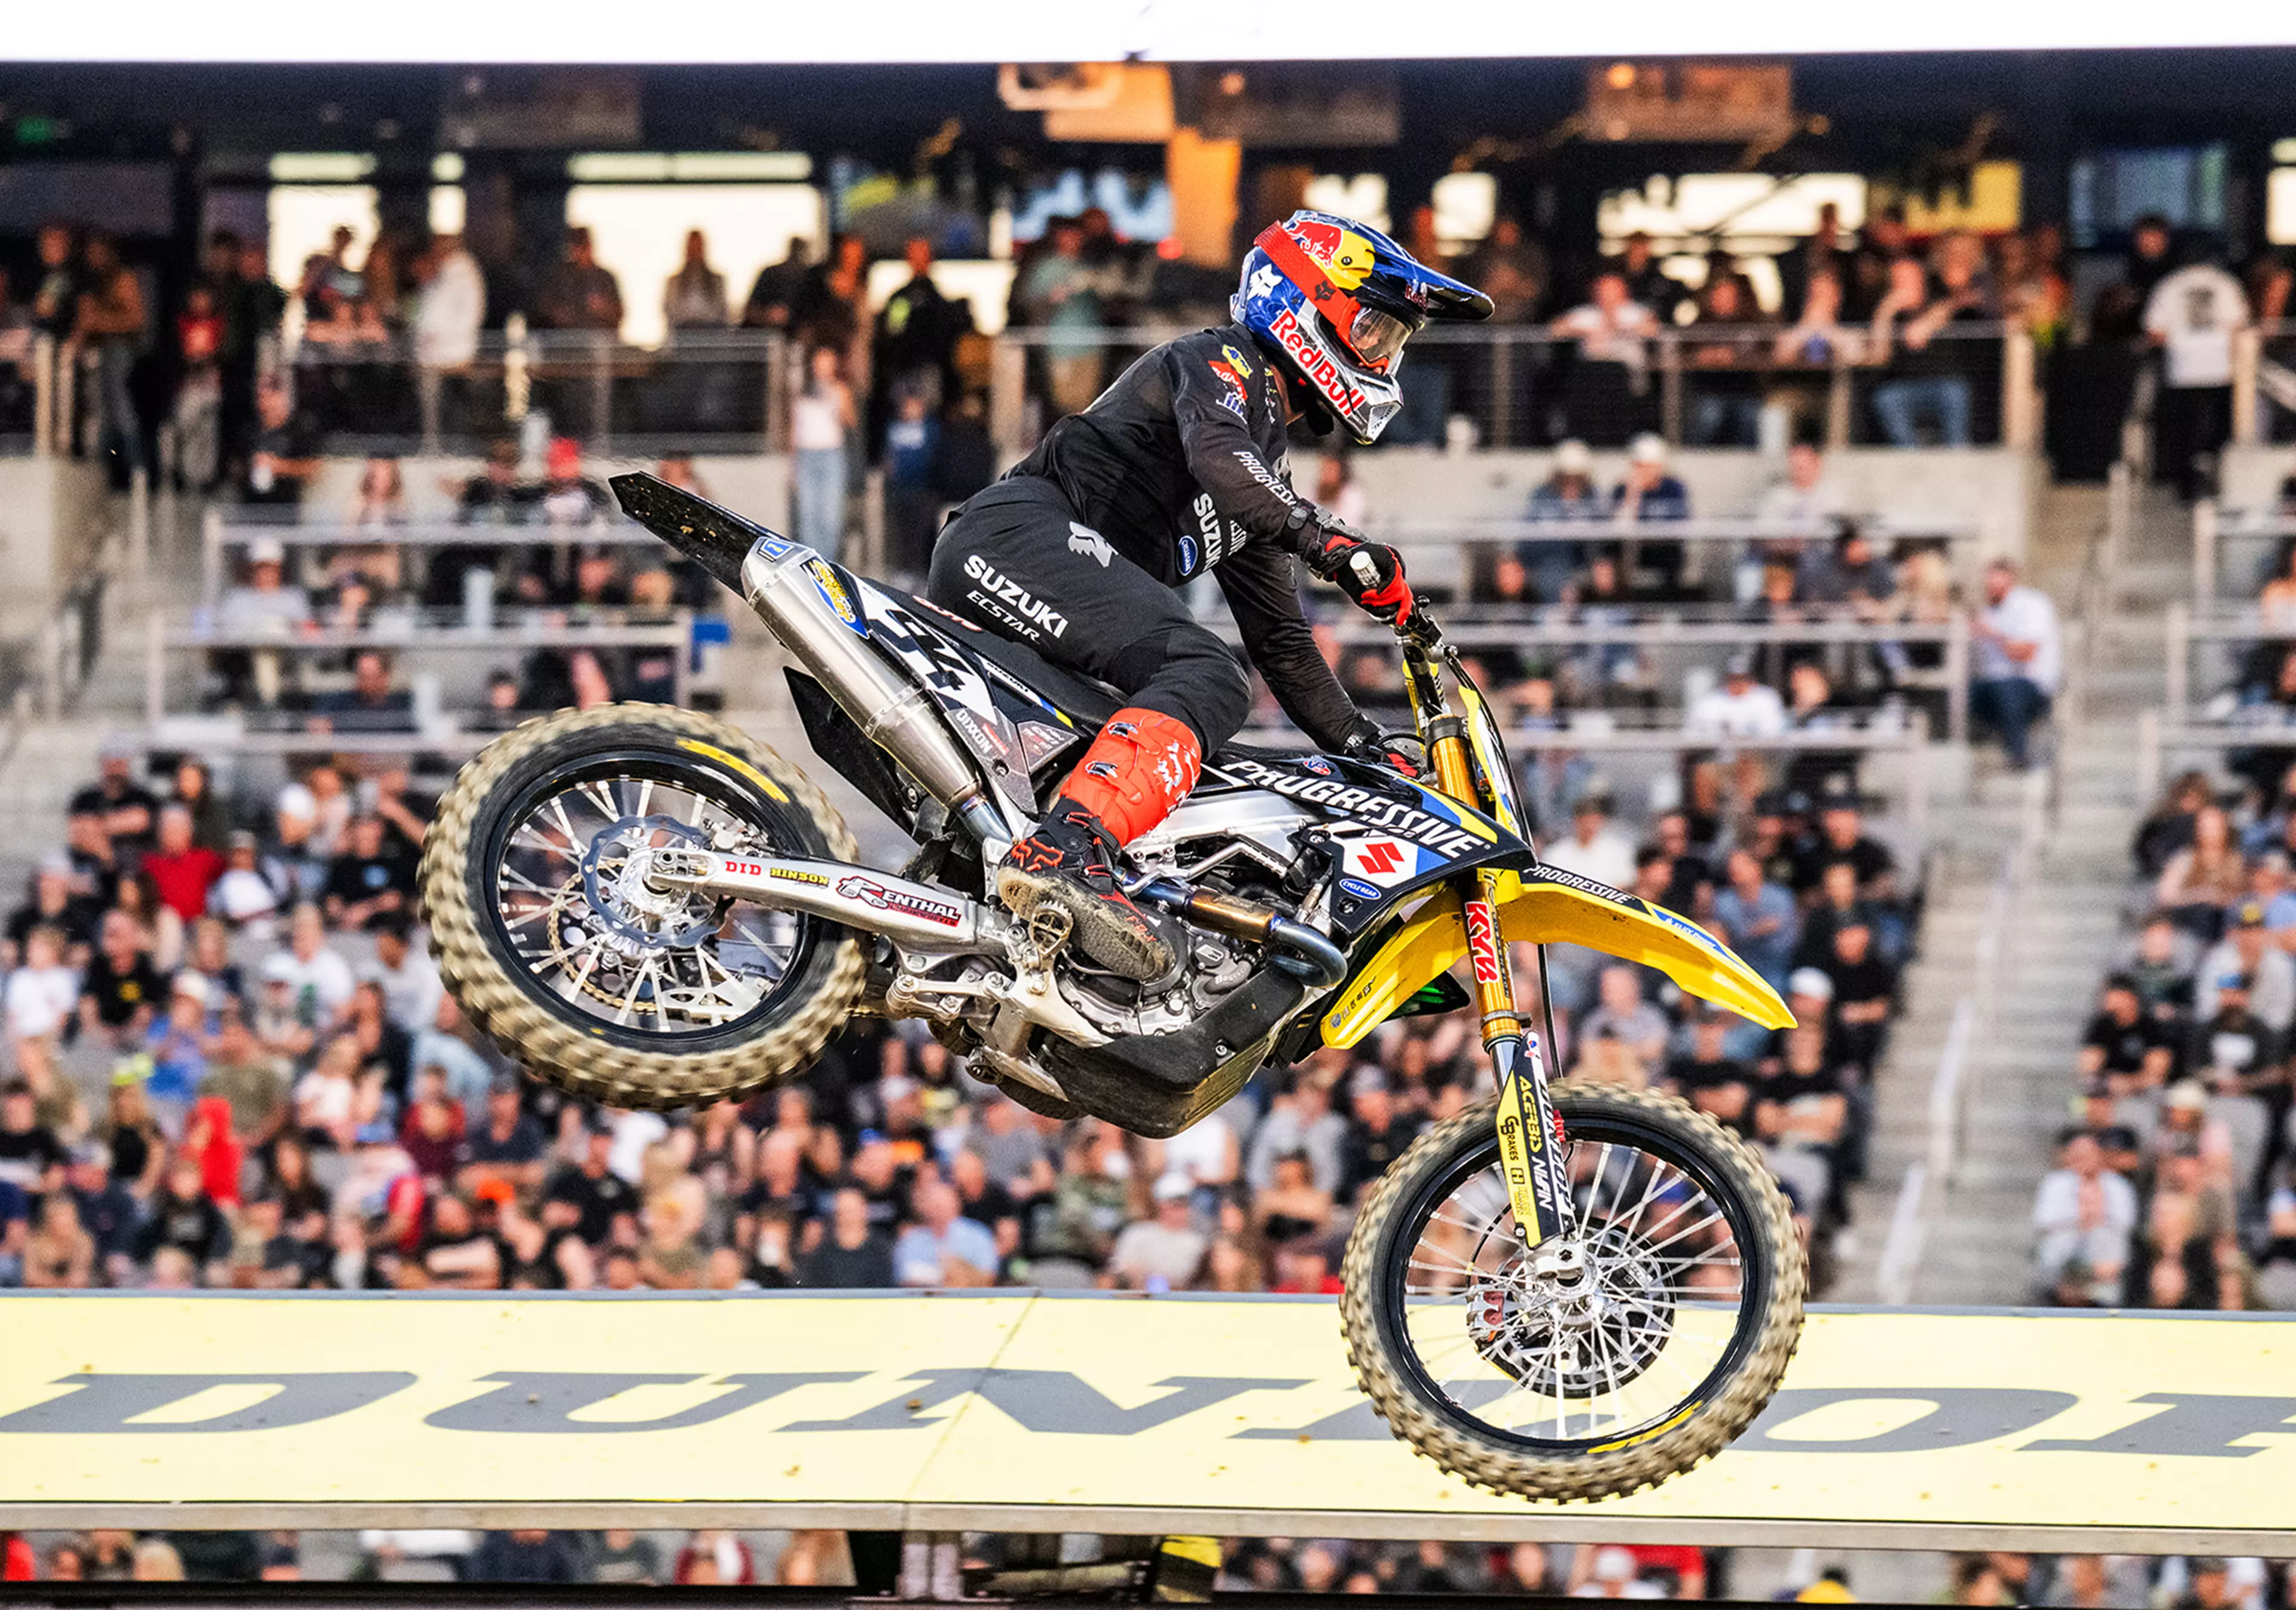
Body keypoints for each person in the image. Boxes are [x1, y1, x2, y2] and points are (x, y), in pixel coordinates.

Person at [927, 210, 1491, 980]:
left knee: (1195, 710)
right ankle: (1066, 851)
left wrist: (1365, 750)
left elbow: (1284, 644)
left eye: (1393, 344)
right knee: (1204, 673)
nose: (1383, 360)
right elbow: (1220, 457)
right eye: (1373, 333)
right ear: (1305, 305)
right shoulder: (1222, 363)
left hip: (1045, 578)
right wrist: (1328, 540)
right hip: (1014, 539)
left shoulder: (1265, 475)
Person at [2144, 250, 2252, 501]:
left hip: (2182, 369)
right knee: (2216, 430)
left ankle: (2187, 485)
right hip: (2219, 369)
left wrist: (2181, 344)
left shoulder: (2169, 285)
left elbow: (2155, 331)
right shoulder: (2226, 284)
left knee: (2183, 432)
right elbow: (2238, 326)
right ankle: (2216, 480)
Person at [1969, 557, 2063, 771]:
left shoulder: (2032, 605)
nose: (1989, 587)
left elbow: (2025, 653)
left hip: (2033, 683)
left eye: (1993, 581)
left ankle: (2020, 754)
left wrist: (1991, 633)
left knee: (2007, 691)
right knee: (1967, 693)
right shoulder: (1990, 611)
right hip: (1996, 684)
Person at [790, 344, 855, 559]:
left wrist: (839, 397)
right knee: (808, 516)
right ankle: (811, 562)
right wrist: (793, 466)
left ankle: (829, 562)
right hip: (806, 454)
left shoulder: (840, 389)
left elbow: (851, 422)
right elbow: (794, 427)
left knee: (830, 516)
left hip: (830, 455)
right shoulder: (801, 390)